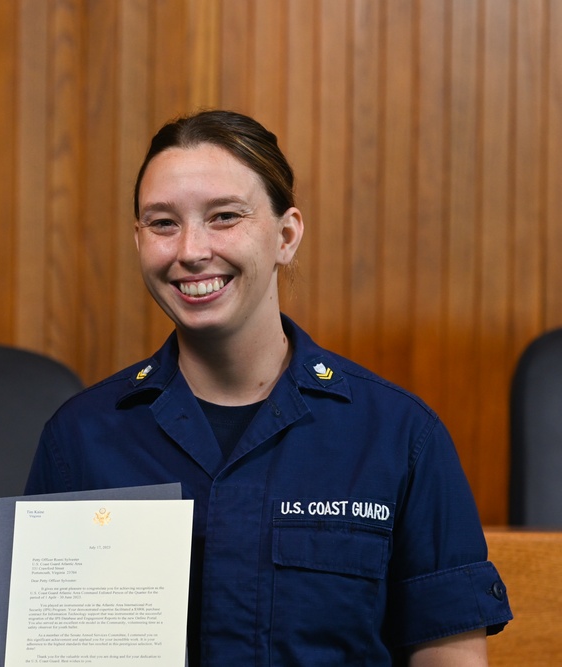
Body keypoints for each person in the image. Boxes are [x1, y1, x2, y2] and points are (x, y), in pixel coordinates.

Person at [25, 110, 512, 666]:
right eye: (162, 223)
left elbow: (447, 655)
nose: (190, 249)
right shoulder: (81, 439)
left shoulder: (400, 436)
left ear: (286, 235)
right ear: (138, 240)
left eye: (225, 217)